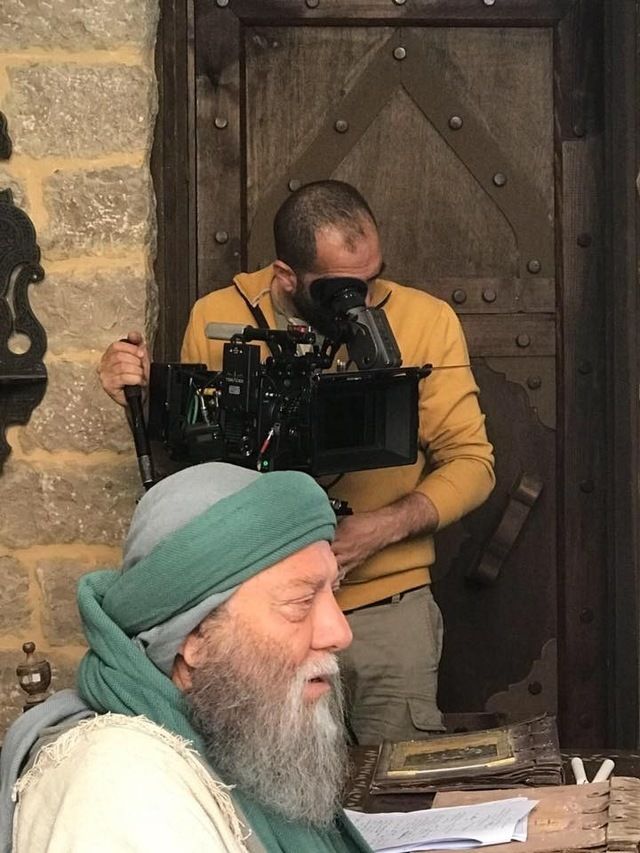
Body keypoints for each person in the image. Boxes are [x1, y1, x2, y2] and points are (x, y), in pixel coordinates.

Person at [98, 180, 495, 744]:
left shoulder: (425, 320)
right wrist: (140, 399)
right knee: (269, 780)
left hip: (384, 609)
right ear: (287, 276)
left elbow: (472, 462)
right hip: (264, 619)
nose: (362, 299)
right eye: (342, 288)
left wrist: (380, 529)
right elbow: (196, 469)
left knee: (396, 785)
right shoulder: (218, 316)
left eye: (372, 278)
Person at [0, 462, 372, 853]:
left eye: (333, 591)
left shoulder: (234, 737)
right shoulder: (123, 790)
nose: (339, 633)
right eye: (300, 602)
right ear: (194, 637)